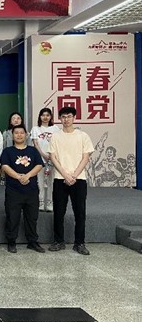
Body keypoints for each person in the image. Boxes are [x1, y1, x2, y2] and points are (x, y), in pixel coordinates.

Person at [48, 107, 94, 255]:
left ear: (74, 118)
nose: (66, 119)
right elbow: (53, 157)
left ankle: (79, 243)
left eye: (69, 116)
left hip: (78, 179)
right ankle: (58, 241)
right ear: (60, 119)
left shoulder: (83, 136)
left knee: (80, 212)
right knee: (58, 212)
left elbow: (86, 157)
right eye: (63, 117)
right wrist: (65, 175)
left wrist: (73, 175)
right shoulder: (55, 136)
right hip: (60, 179)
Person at [0, 124, 45, 253]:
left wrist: (28, 176)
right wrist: (19, 177)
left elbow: (39, 165)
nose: (19, 135)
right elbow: (5, 166)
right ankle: (11, 241)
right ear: (12, 135)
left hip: (31, 190)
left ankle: (32, 241)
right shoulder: (8, 151)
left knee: (32, 217)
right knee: (12, 217)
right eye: (16, 133)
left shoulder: (33, 150)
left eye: (21, 133)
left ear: (26, 135)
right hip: (13, 190)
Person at [31, 108, 60, 211]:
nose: (45, 117)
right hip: (39, 160)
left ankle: (49, 202)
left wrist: (51, 156)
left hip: (52, 159)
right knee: (40, 182)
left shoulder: (55, 128)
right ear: (40, 116)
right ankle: (41, 202)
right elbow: (36, 144)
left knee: (51, 182)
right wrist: (43, 154)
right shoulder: (35, 129)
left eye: (47, 115)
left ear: (51, 117)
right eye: (43, 115)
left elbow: (57, 144)